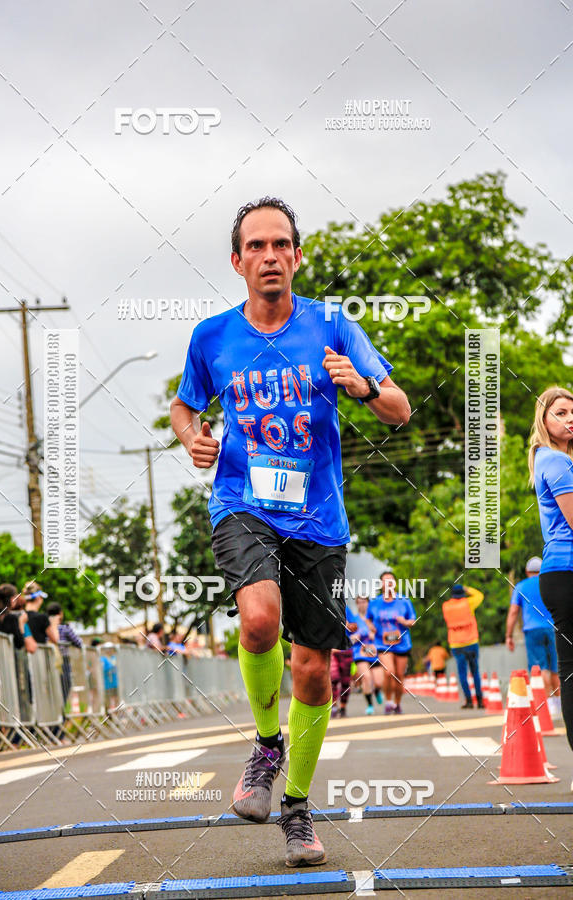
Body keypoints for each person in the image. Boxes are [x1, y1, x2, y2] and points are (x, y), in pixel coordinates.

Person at [170, 196, 410, 866]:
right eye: (257, 246)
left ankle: (298, 808)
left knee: (311, 668)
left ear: (298, 257)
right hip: (242, 502)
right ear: (237, 261)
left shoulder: (333, 324)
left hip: (319, 520)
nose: (270, 256)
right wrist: (194, 438)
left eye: (282, 245)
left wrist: (360, 387)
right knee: (257, 620)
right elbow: (184, 408)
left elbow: (400, 408)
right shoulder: (212, 337)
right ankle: (266, 744)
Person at [528, 386, 573, 755]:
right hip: (566, 571)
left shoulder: (558, 459)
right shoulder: (556, 461)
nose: (570, 418)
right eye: (560, 412)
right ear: (544, 420)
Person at [0, 584, 37, 751]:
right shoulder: (11, 618)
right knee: (12, 703)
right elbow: (19, 643)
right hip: (8, 669)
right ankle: (13, 738)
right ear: (12, 599)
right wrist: (21, 624)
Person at [505, 556, 560, 716]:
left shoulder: (521, 586)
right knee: (556, 667)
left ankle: (548, 704)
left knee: (540, 667)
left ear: (527, 571)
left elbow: (514, 612)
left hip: (532, 630)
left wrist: (509, 635)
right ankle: (559, 703)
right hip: (553, 628)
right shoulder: (551, 583)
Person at [368, 572, 416, 714]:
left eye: (391, 581)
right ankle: (388, 701)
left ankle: (397, 703)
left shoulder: (404, 600)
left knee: (399, 676)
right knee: (389, 673)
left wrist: (404, 622)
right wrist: (371, 627)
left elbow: (412, 621)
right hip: (382, 643)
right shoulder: (375, 602)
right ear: (381, 584)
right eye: (385, 581)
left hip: (402, 643)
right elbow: (368, 619)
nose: (388, 583)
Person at [442, 583, 484, 709]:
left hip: (456, 644)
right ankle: (480, 701)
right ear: (463, 593)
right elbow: (479, 595)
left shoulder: (446, 606)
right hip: (471, 642)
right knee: (475, 672)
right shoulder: (468, 603)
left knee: (462, 673)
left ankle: (469, 701)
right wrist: (467, 588)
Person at [350, 596, 383, 714]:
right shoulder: (353, 620)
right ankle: (370, 705)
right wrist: (355, 637)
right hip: (360, 653)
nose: (362, 604)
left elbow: (383, 636)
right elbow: (349, 638)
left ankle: (378, 691)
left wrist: (375, 636)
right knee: (367, 677)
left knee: (379, 682)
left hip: (374, 653)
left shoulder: (375, 619)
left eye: (364, 602)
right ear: (357, 604)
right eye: (359, 602)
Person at [47, 601, 83, 708]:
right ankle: (60, 712)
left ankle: (55, 712)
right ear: (60, 613)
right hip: (63, 662)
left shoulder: (45, 629)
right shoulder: (64, 628)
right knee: (64, 687)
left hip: (48, 660)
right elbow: (78, 643)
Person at [23, 581, 59, 646]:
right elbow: (55, 640)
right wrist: (54, 625)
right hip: (38, 654)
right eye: (42, 598)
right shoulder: (42, 617)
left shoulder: (19, 616)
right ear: (38, 598)